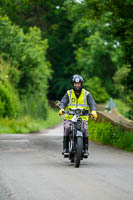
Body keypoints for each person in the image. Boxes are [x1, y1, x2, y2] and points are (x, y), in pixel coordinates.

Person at [58, 74, 97, 156]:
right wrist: (61, 109)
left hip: (82, 118)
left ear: (81, 84)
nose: (77, 85)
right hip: (70, 117)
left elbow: (92, 103)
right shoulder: (68, 93)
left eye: (78, 83)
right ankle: (65, 148)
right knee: (67, 128)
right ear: (72, 84)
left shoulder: (87, 94)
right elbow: (63, 102)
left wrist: (93, 111)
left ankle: (85, 149)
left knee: (85, 130)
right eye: (75, 84)